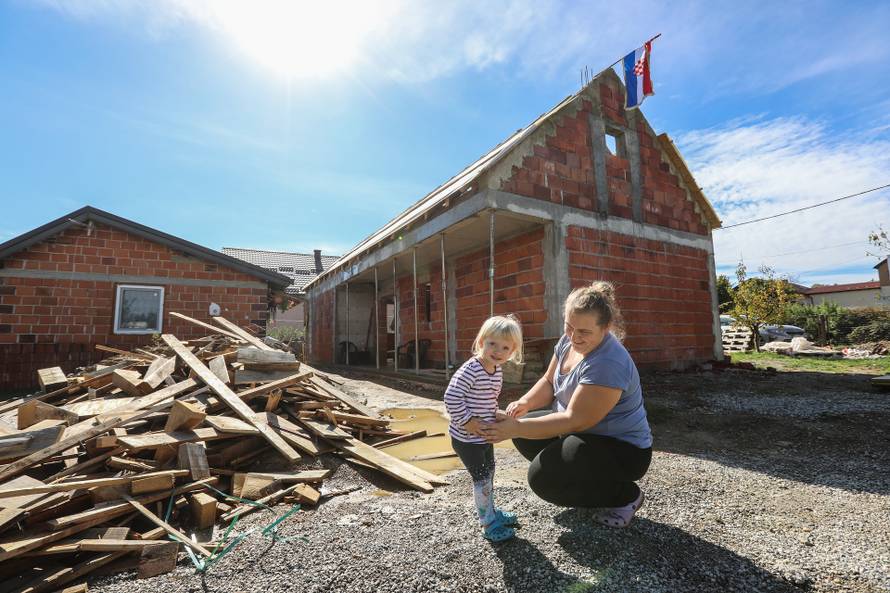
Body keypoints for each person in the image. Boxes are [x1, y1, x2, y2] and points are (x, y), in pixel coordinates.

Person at [479, 281, 652, 528]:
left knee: (543, 479)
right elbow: (549, 380)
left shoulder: (608, 363)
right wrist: (525, 403)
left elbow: (576, 419)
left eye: (583, 332)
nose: (574, 337)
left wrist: (514, 427)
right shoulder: (568, 340)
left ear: (606, 328)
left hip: (623, 450)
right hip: (584, 436)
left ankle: (625, 496)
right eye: (569, 327)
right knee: (525, 427)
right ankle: (585, 483)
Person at [444, 315, 524, 542]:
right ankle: (488, 524)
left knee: (489, 475)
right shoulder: (472, 369)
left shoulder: (496, 370)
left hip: (484, 437)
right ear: (481, 342)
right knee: (481, 479)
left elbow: (485, 399)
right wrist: (467, 422)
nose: (497, 351)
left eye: (505, 347)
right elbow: (451, 397)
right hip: (467, 439)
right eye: (492, 344)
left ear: (512, 351)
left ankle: (491, 512)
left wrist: (495, 413)